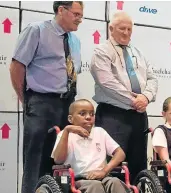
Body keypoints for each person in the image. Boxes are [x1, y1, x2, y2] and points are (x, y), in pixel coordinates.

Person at [9, 1, 83, 192]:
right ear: (61, 10)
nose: (80, 19)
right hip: (41, 103)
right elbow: (17, 66)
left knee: (62, 160)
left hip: (67, 104)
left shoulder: (74, 40)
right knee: (36, 160)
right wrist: (27, 100)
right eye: (76, 14)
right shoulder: (36, 31)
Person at [90, 11, 158, 180]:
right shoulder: (102, 52)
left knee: (139, 163)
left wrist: (146, 98)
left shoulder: (138, 52)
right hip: (113, 114)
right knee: (114, 165)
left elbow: (152, 78)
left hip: (139, 114)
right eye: (122, 29)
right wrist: (134, 100)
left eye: (129, 29)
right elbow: (107, 83)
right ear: (111, 28)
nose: (126, 33)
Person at [51, 99, 128, 193]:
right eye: (82, 114)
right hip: (77, 179)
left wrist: (104, 171)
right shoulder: (65, 135)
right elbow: (58, 160)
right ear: (70, 119)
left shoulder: (100, 132)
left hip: (102, 176)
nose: (88, 117)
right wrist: (67, 130)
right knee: (95, 186)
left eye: (92, 114)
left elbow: (120, 153)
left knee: (115, 182)